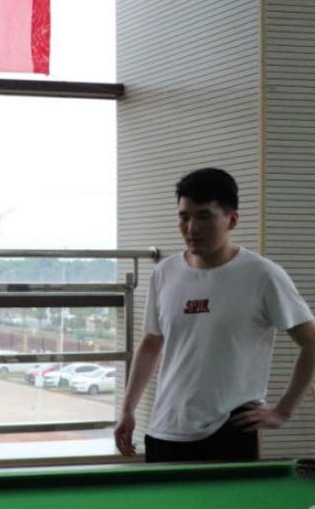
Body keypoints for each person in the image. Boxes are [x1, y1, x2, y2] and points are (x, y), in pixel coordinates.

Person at [115, 168, 315, 461]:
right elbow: (151, 342)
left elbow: (311, 342)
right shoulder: (164, 273)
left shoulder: (262, 275)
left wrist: (282, 411)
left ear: (231, 220)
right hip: (164, 430)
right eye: (184, 217)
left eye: (204, 216)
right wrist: (127, 409)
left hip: (229, 431)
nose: (192, 228)